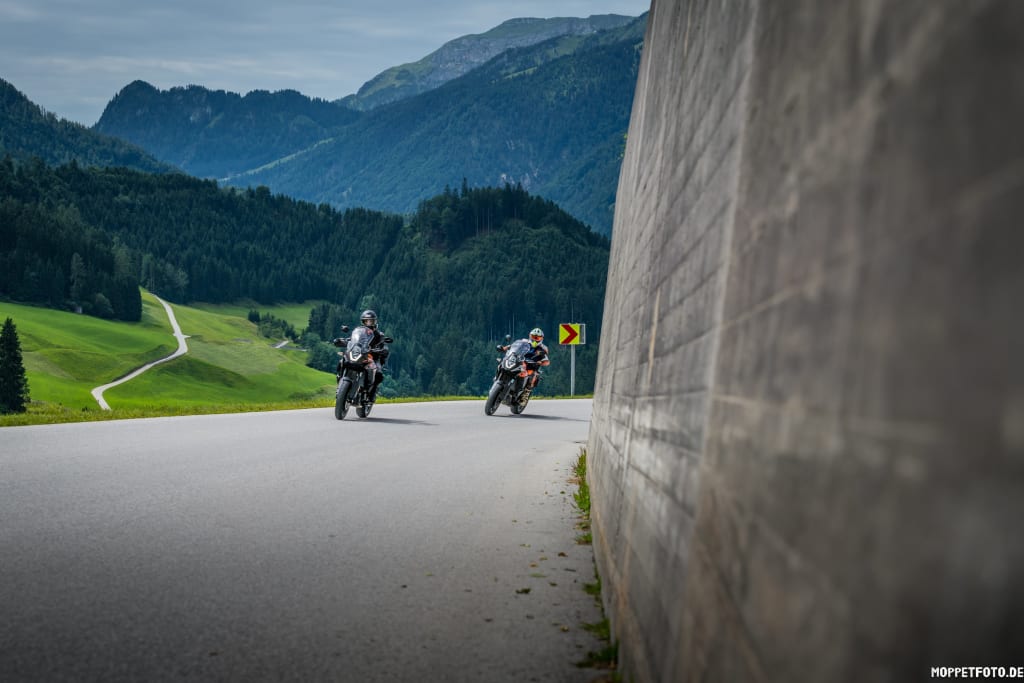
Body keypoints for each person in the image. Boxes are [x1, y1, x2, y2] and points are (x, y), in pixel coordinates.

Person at [333, 309, 391, 403]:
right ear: (363, 321)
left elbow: (383, 344)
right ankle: (340, 383)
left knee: (378, 373)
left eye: (371, 321)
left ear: (375, 322)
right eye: (367, 321)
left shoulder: (379, 334)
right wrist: (340, 341)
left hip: (373, 357)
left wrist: (383, 349)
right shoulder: (359, 331)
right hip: (359, 353)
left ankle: (371, 394)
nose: (369, 323)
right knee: (342, 361)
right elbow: (351, 339)